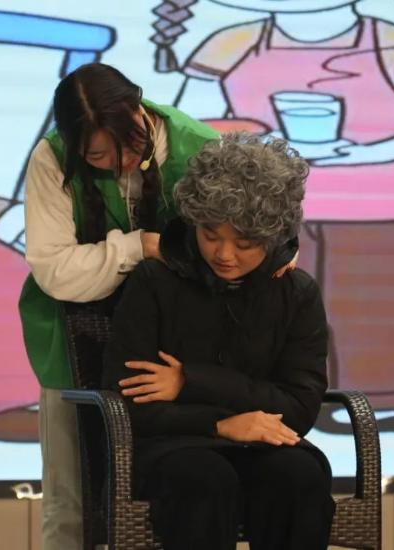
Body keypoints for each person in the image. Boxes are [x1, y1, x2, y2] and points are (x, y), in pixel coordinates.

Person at [150, 0, 394, 430]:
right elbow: (196, 128)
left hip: (391, 211)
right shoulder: (231, 44)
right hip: (250, 220)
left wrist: (365, 152)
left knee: (378, 319)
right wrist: (261, 139)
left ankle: (381, 400)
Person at [18, 62, 220, 550]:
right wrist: (140, 247)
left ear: (138, 108)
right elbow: (56, 271)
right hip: (73, 344)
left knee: (186, 488)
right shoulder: (51, 158)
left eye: (130, 144)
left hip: (180, 351)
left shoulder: (201, 149)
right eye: (98, 156)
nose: (122, 162)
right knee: (72, 502)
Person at [102, 132, 335, 549]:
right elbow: (130, 405)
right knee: (204, 480)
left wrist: (189, 382)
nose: (224, 255)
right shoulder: (154, 282)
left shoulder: (297, 293)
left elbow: (299, 410)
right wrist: (219, 425)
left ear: (272, 236)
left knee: (299, 476)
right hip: (171, 448)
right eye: (210, 235)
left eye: (245, 244)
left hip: (263, 445)